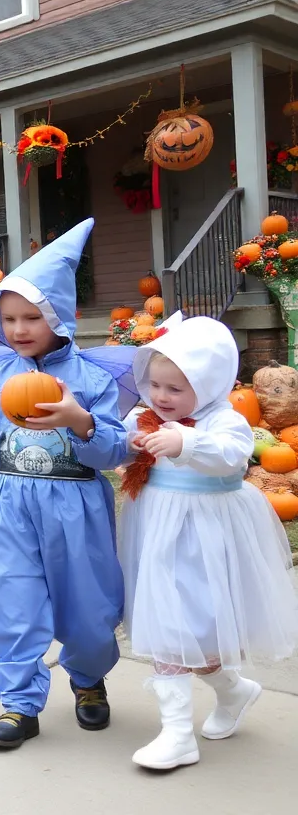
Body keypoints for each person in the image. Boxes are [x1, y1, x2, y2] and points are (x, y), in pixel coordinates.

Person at [0, 219, 137, 749]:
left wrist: (79, 420)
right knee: (12, 598)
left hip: (75, 504)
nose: (18, 329)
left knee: (89, 602)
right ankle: (19, 704)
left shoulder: (94, 379)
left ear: (58, 314)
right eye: (7, 318)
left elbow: (115, 450)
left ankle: (88, 679)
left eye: (32, 316)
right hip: (12, 504)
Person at [117, 313, 298, 770]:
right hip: (158, 529)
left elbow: (231, 457)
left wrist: (186, 445)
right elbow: (130, 443)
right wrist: (133, 456)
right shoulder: (149, 414)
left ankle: (225, 697)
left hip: (205, 534)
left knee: (194, 630)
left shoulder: (225, 419)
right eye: (155, 384)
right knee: (169, 627)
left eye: (175, 389)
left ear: (211, 382)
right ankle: (186, 726)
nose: (161, 396)